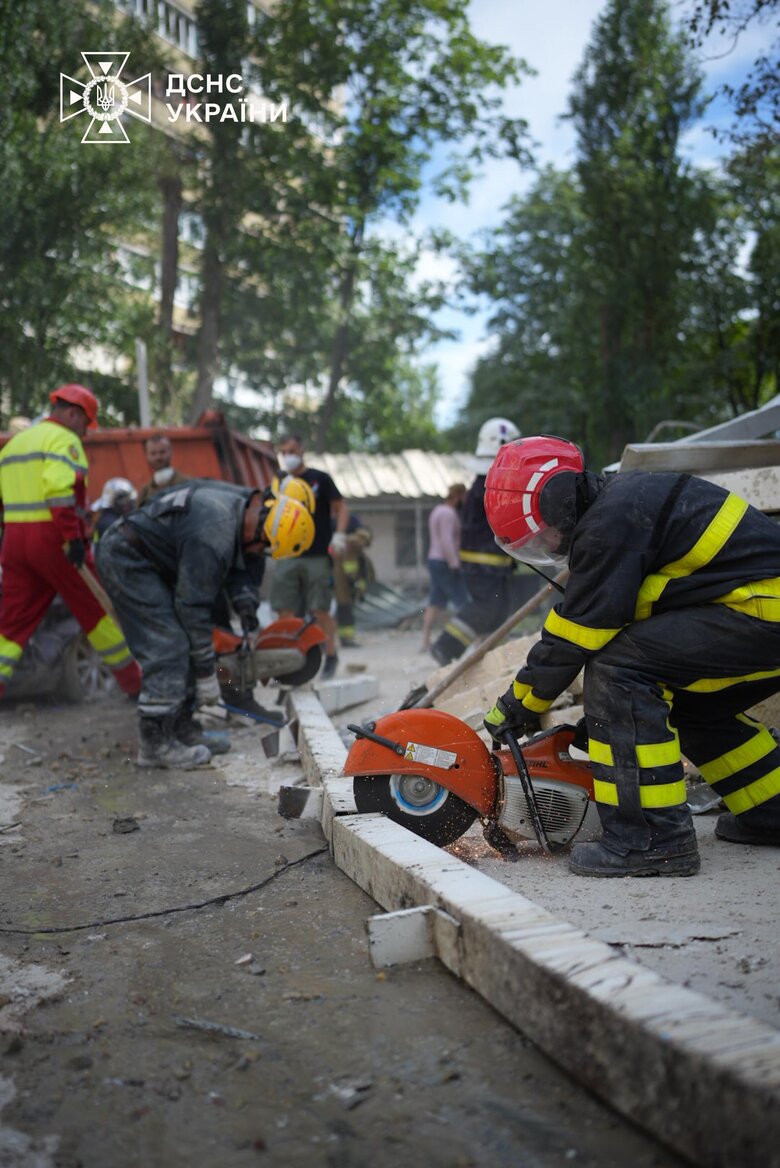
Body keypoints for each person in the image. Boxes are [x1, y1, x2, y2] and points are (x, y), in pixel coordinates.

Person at [482, 434, 780, 879]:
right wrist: (605, 727)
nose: (547, 547)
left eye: (543, 536)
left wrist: (516, 706)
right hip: (758, 609)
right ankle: (771, 811)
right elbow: (622, 620)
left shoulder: (610, 522)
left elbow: (575, 635)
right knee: (692, 709)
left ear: (559, 499)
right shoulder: (622, 507)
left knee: (616, 668)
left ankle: (653, 842)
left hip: (761, 609)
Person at [96, 483, 314, 768]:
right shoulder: (215, 530)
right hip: (126, 557)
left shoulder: (241, 506)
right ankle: (154, 743)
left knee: (183, 639)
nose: (260, 551)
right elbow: (193, 606)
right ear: (264, 526)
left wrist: (244, 602)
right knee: (169, 644)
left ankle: (180, 729)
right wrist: (205, 674)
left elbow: (238, 562)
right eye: (264, 545)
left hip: (150, 558)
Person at [0, 384, 141, 701]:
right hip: (52, 540)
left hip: (14, 540)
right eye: (85, 424)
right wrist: (73, 539)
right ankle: (136, 684)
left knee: (10, 625)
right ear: (73, 414)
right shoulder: (64, 440)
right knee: (96, 609)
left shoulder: (14, 445)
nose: (86, 433)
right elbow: (58, 491)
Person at [430, 417, 520, 666]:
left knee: (499, 612)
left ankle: (493, 659)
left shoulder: (484, 483)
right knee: (486, 608)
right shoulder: (488, 486)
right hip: (483, 562)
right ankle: (445, 646)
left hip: (492, 562)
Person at [269, 435, 349, 679]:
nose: (288, 456)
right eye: (284, 452)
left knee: (319, 610)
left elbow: (341, 507)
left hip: (316, 556)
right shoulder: (279, 482)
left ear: (302, 450)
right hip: (287, 555)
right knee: (285, 610)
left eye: (292, 450)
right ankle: (292, 662)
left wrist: (340, 536)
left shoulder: (320, 479)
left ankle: (331, 655)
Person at [422, 483, 468, 651]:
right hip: (445, 562)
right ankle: (465, 639)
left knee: (435, 600)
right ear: (457, 496)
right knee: (461, 601)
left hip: (434, 559)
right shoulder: (448, 514)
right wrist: (454, 563)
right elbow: (446, 540)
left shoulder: (437, 510)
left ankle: (425, 640)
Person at [332, 514, 374, 648]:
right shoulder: (326, 519)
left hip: (351, 578)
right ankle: (329, 638)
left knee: (345, 606)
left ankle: (346, 637)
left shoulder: (352, 520)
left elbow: (365, 537)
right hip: (334, 572)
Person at [137, 434, 189, 506]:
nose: (158, 457)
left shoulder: (187, 484)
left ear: (171, 452)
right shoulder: (144, 493)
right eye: (153, 453)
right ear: (147, 456)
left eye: (162, 452)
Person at [92, 477, 138, 541]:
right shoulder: (111, 524)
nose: (132, 507)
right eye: (130, 502)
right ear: (119, 503)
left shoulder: (109, 518)